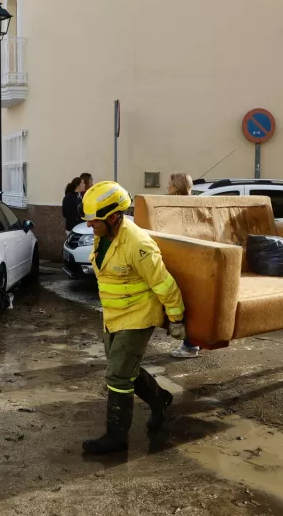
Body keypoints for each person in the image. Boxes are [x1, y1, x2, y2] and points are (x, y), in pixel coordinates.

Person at [80, 181, 186, 455]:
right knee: (127, 371)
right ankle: (160, 399)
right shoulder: (103, 236)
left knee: (117, 375)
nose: (90, 225)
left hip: (138, 316)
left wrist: (176, 319)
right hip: (113, 315)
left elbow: (163, 283)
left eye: (95, 220)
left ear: (114, 216)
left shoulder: (138, 244)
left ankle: (116, 437)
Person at [167, 172, 202, 359]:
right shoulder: (197, 203)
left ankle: (190, 345)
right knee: (197, 305)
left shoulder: (177, 207)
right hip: (198, 259)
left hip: (185, 260)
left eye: (170, 185)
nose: (167, 188)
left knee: (187, 304)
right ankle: (196, 341)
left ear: (177, 188)